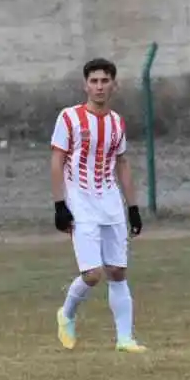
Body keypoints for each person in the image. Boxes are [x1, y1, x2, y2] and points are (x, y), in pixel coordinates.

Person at [50, 58, 146, 353]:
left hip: (110, 201)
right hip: (80, 201)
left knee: (117, 270)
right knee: (93, 275)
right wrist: (59, 205)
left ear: (114, 85)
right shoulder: (69, 118)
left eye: (105, 81)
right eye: (94, 81)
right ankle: (65, 314)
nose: (99, 86)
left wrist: (133, 207)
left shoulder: (117, 122)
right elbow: (56, 160)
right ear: (85, 85)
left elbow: (122, 163)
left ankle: (125, 339)